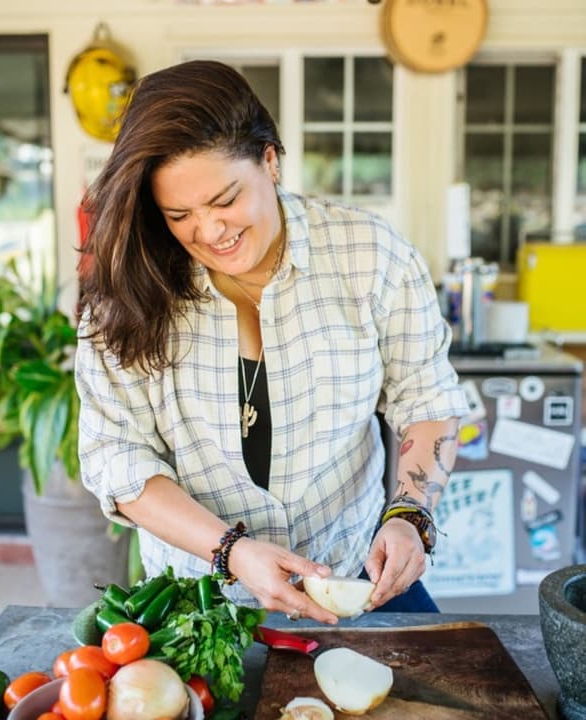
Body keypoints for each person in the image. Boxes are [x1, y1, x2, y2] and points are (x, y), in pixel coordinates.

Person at [76, 60, 470, 623]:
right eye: (180, 215)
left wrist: (410, 516)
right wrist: (231, 552)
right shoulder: (126, 294)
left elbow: (427, 399)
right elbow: (117, 459)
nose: (210, 232)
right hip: (198, 601)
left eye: (225, 200)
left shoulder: (372, 256)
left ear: (269, 160)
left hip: (354, 572)